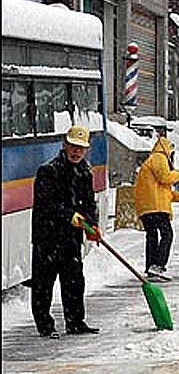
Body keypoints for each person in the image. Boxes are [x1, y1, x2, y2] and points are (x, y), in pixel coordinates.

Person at [30, 125, 101, 339]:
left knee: (74, 280)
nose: (76, 151)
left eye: (81, 148)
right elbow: (46, 204)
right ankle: (45, 325)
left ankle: (75, 322)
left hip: (71, 238)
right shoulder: (48, 171)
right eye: (73, 146)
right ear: (64, 145)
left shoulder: (84, 172)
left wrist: (92, 224)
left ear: (86, 150)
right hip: (47, 237)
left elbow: (89, 203)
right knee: (44, 283)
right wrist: (69, 215)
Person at [134, 137, 179, 281]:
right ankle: (158, 265)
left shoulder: (151, 161)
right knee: (167, 234)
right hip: (156, 208)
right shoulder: (159, 158)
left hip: (147, 207)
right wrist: (177, 174)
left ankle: (151, 266)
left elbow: (164, 192)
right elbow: (164, 177)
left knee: (152, 236)